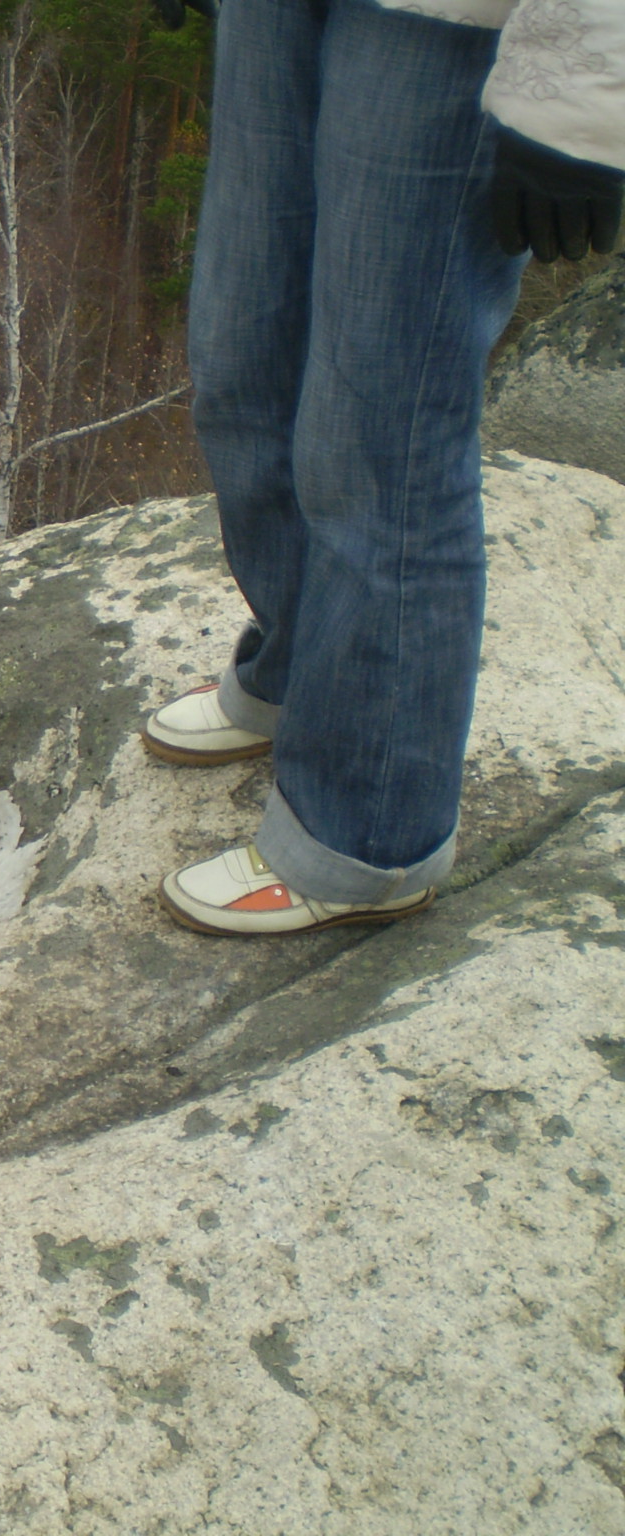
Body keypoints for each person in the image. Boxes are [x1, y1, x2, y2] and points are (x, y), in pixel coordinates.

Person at [140, 0, 625, 936]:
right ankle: (300, 672)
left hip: (446, 22)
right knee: (245, 363)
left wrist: (581, 92)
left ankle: (367, 836)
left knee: (382, 439)